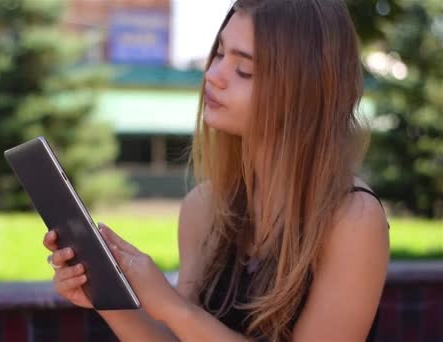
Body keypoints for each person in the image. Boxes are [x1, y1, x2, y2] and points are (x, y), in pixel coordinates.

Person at [43, 0, 390, 340]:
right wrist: (106, 294)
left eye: (245, 70)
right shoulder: (204, 207)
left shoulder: (352, 219)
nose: (212, 75)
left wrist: (171, 306)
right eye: (220, 54)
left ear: (305, 92)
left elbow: (184, 321)